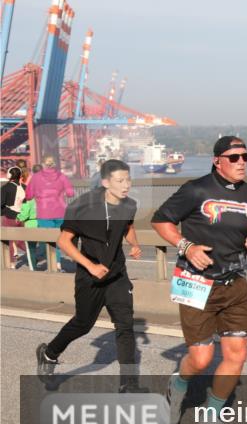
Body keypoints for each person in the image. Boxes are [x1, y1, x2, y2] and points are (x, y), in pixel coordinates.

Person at [151, 136, 247, 424]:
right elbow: (160, 221)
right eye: (234, 157)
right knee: (202, 359)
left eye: (246, 156)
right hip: (195, 281)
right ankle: (177, 386)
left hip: (235, 284)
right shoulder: (196, 189)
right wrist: (186, 246)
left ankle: (210, 419)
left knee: (237, 355)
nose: (241, 162)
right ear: (217, 160)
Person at [34, 160, 145, 392]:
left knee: (125, 326)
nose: (126, 185)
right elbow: (63, 241)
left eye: (128, 179)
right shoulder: (82, 207)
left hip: (117, 275)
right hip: (90, 277)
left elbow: (128, 227)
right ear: (105, 182)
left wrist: (134, 244)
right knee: (83, 324)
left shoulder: (129, 205)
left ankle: (129, 384)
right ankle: (49, 353)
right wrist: (90, 266)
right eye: (120, 181)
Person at [25, 155, 75, 270]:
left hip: (44, 214)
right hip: (61, 212)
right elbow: (70, 193)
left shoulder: (36, 177)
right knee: (59, 238)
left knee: (49, 240)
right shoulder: (62, 176)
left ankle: (56, 262)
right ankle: (57, 261)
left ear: (42, 164)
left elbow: (29, 195)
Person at [2, 166, 27, 268]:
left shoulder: (5, 187)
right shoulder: (25, 187)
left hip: (10, 216)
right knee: (21, 240)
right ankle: (31, 253)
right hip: (23, 216)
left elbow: (1, 203)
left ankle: (12, 263)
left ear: (9, 175)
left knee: (10, 240)